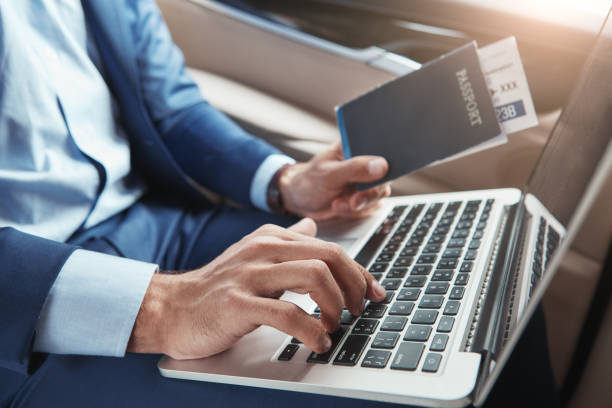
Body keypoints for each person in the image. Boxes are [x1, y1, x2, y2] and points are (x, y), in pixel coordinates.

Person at [0, 2, 560, 407]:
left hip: (166, 228)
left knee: (487, 284)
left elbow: (168, 106)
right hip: (29, 316)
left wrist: (286, 183)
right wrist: (163, 308)